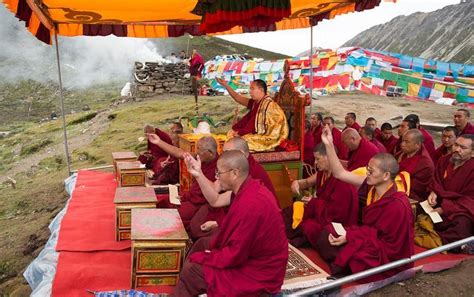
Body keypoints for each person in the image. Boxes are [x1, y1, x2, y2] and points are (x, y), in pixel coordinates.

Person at [175, 151, 288, 296]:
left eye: (219, 173)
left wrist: (206, 258)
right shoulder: (245, 188)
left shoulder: (252, 201)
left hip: (260, 270)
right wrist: (198, 174)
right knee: (201, 244)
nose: (216, 177)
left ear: (234, 173)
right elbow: (215, 200)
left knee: (193, 270)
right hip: (251, 254)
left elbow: (236, 254)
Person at [316, 125, 414, 281]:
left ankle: (348, 262)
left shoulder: (397, 203)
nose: (367, 174)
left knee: (355, 256)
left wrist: (352, 238)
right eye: (367, 169)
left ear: (386, 175)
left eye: (371, 171)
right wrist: (328, 144)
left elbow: (392, 247)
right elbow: (340, 173)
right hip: (367, 237)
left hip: (385, 253)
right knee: (327, 232)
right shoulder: (371, 185)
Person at [189, 137, 277, 240]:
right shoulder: (231, 167)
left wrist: (219, 222)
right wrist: (198, 174)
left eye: (227, 153)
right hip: (231, 213)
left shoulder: (250, 175)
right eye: (224, 152)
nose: (223, 156)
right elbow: (215, 196)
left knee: (208, 240)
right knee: (201, 215)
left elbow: (247, 215)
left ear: (241, 154)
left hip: (254, 228)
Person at [285, 143, 358, 248]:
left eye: (317, 159)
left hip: (335, 222)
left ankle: (303, 239)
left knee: (309, 226)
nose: (315, 163)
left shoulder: (344, 180)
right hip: (321, 214)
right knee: (290, 211)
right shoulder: (322, 173)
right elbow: (306, 182)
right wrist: (296, 183)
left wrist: (314, 202)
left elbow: (338, 214)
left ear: (329, 157)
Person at [146, 133, 218, 230]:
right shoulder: (201, 156)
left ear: (210, 153)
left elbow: (210, 193)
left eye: (199, 150)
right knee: (164, 202)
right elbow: (180, 153)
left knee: (175, 215)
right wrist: (158, 141)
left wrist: (185, 196)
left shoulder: (219, 167)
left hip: (201, 204)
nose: (197, 153)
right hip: (192, 197)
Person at [415, 134, 474, 251]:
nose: (457, 149)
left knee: (462, 224)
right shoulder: (444, 160)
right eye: (456, 145)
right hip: (438, 201)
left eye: (463, 147)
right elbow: (435, 181)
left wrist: (445, 209)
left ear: (473, 153)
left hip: (460, 208)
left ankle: (446, 241)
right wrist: (433, 192)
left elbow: (470, 199)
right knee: (414, 209)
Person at [216, 77, 288, 152]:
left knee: (241, 142)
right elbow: (237, 98)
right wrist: (225, 85)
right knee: (232, 134)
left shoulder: (268, 105)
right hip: (258, 133)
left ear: (261, 90)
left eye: (252, 89)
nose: (250, 92)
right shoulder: (255, 103)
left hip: (271, 137)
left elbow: (253, 126)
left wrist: (240, 133)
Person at [395, 129, 435, 202]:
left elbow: (417, 188)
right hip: (395, 187)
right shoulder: (402, 154)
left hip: (412, 197)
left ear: (417, 145)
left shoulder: (425, 164)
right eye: (402, 141)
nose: (402, 144)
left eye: (406, 142)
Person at [189, 49, 204, 114]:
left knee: (196, 89)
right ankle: (196, 104)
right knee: (194, 88)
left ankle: (197, 104)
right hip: (192, 74)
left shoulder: (198, 58)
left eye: (195, 51)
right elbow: (190, 64)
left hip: (196, 74)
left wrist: (198, 72)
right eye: (193, 51)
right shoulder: (191, 57)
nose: (194, 52)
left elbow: (201, 64)